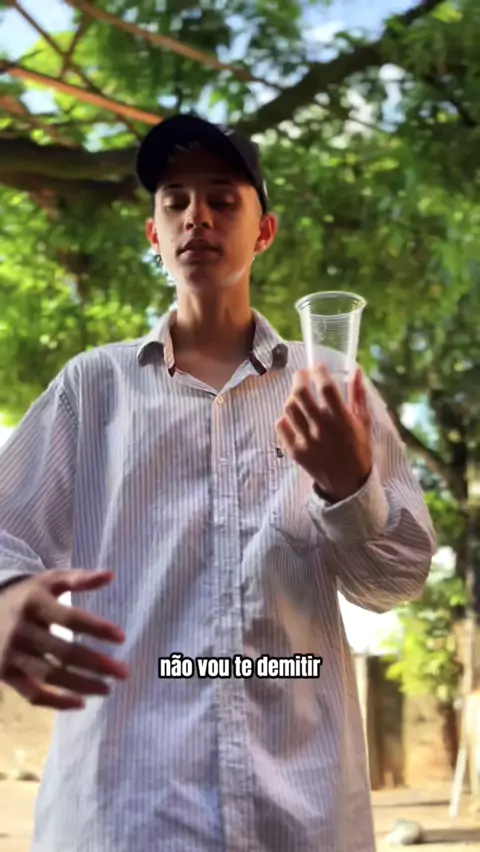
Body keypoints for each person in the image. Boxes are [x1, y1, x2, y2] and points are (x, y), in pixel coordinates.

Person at [0, 113, 436, 852]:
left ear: (264, 232)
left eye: (222, 198)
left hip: (298, 814)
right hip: (125, 812)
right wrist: (7, 594)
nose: (195, 215)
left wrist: (351, 485)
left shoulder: (334, 393)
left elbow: (394, 583)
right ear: (154, 234)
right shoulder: (92, 389)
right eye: (175, 200)